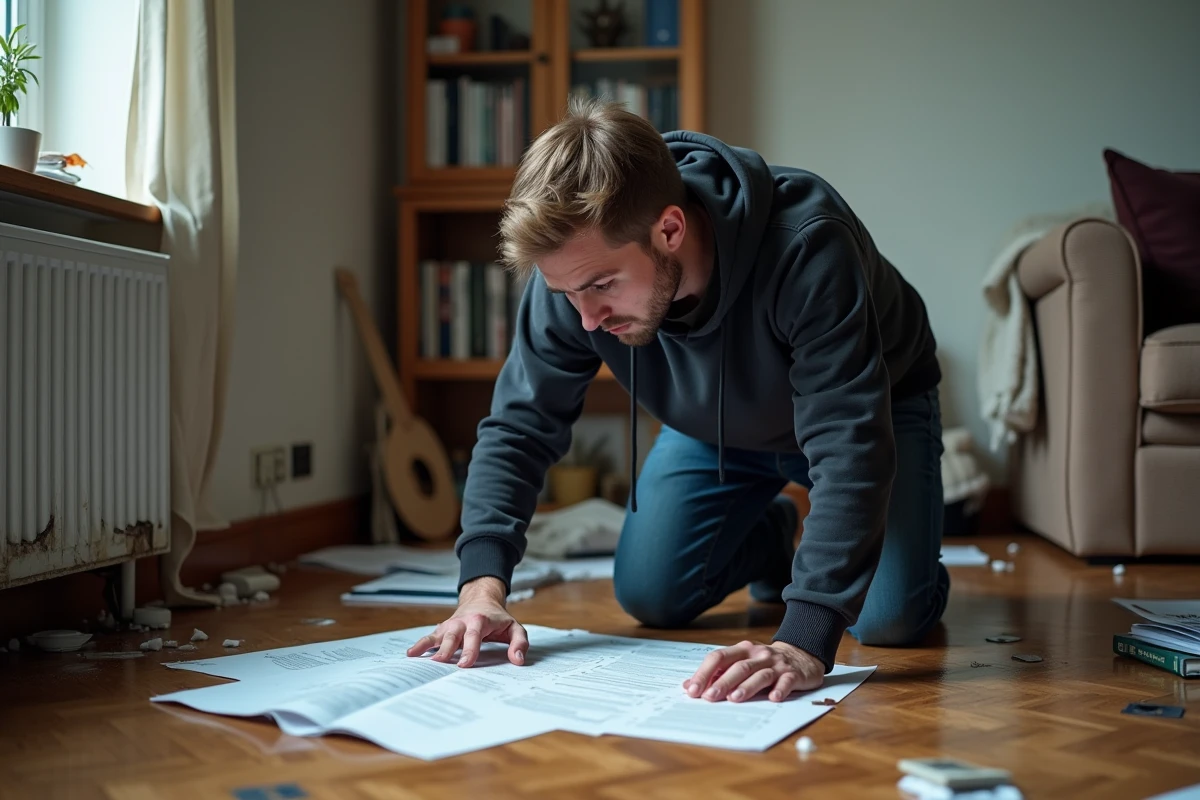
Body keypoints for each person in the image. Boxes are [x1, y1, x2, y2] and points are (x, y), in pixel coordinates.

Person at [406, 97, 947, 704]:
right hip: (713, 428)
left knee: (888, 619)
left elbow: (850, 446)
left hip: (873, 410)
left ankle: (909, 559)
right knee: (651, 595)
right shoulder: (572, 278)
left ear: (669, 229)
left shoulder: (807, 242)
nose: (585, 319)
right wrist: (481, 587)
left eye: (601, 286)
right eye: (566, 294)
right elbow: (518, 426)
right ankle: (774, 537)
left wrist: (802, 638)